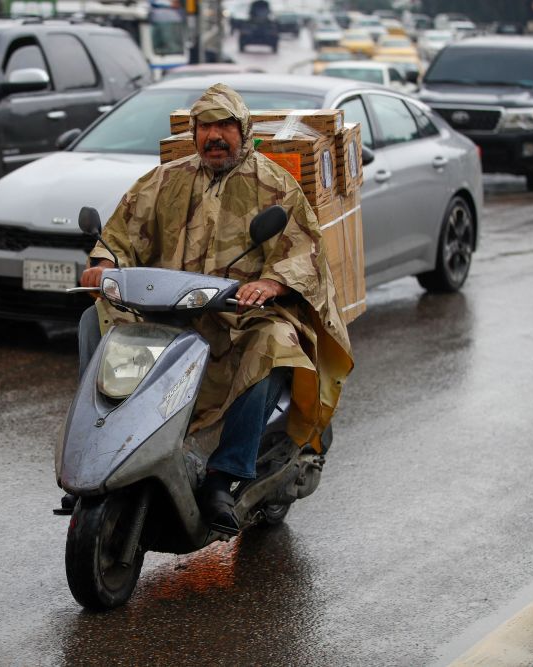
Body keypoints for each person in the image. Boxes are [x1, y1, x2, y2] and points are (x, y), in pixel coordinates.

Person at [76, 83, 354, 534]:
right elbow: (122, 232)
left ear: (242, 130)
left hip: (239, 314)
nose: (215, 136)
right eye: (206, 126)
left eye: (225, 125)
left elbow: (304, 250)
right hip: (167, 311)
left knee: (275, 342)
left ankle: (226, 475)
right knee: (95, 321)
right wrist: (104, 262)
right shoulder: (165, 178)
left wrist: (270, 282)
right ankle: (101, 440)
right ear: (194, 133)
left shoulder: (273, 183)